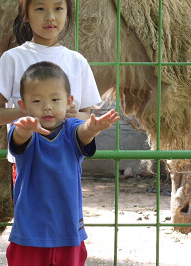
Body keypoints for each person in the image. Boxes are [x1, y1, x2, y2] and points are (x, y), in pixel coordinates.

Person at [7, 61, 119, 265]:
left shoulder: (71, 128)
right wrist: (25, 128)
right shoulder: (27, 131)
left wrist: (93, 128)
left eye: (55, 99)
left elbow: (82, 133)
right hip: (29, 233)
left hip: (68, 232)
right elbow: (19, 138)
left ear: (69, 102)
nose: (47, 106)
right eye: (37, 101)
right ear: (23, 105)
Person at [0, 0, 102, 167]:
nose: (50, 17)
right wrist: (26, 113)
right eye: (40, 9)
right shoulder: (13, 58)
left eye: (58, 9)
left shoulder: (78, 62)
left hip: (68, 162)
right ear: (26, 15)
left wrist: (74, 116)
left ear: (67, 13)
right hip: (26, 163)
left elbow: (86, 116)